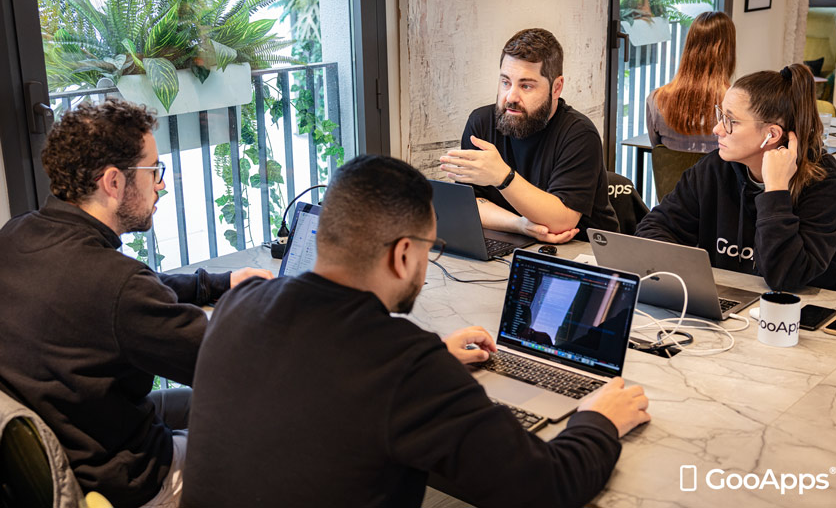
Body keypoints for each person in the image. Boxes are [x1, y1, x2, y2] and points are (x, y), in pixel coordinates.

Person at [180, 155, 650, 508]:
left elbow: (323, 373)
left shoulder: (239, 303)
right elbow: (548, 487)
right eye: (431, 248)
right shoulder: (406, 366)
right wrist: (599, 420)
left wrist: (434, 358)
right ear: (403, 254)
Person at [0, 99, 272, 508]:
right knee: (271, 435)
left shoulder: (17, 234)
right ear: (114, 182)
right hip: (130, 480)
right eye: (153, 170)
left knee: (199, 405)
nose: (160, 184)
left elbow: (128, 292)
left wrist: (216, 283)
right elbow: (233, 363)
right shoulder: (117, 285)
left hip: (83, 436)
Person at [636, 64, 836, 292]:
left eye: (731, 121)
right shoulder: (716, 167)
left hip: (807, 308)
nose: (717, 129)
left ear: (772, 134)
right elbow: (654, 228)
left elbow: (786, 278)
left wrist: (776, 190)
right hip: (731, 299)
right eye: (721, 115)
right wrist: (693, 279)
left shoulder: (826, 184)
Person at [439, 28, 619, 243]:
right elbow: (469, 204)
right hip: (517, 241)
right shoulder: (481, 123)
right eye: (505, 82)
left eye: (526, 86)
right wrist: (520, 225)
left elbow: (562, 221)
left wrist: (503, 176)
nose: (511, 97)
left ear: (556, 88)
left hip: (581, 251)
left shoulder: (579, 134)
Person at [646, 10, 736, 152]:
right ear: (728, 51)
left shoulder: (656, 100)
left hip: (673, 168)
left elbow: (657, 148)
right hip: (718, 167)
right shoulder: (736, 103)